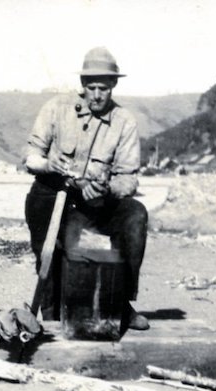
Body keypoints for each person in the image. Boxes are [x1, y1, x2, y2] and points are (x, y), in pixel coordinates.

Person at [23, 47, 150, 330]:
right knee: (52, 256)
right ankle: (51, 317)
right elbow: (30, 157)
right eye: (90, 87)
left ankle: (121, 302)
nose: (96, 95)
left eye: (103, 88)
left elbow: (128, 179)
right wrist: (46, 164)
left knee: (135, 215)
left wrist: (107, 190)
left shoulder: (124, 122)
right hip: (50, 194)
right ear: (82, 85)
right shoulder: (56, 108)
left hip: (92, 201)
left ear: (113, 86)